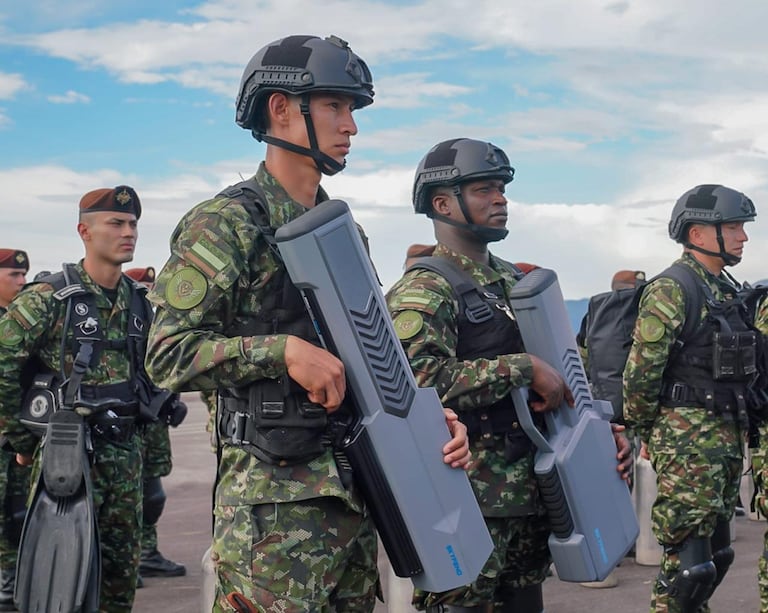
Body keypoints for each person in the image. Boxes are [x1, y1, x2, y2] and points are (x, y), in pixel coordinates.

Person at [144, 34, 471, 612]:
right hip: (270, 517)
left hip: (355, 499)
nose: (351, 126)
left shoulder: (343, 233)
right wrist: (282, 352)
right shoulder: (227, 222)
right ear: (280, 109)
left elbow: (372, 358)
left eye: (351, 110)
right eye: (335, 107)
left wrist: (426, 420)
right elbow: (166, 352)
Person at [385, 137, 632, 612]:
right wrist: (520, 369)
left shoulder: (515, 283)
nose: (500, 199)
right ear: (442, 203)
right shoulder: (425, 287)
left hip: (529, 494)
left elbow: (563, 374)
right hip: (467, 504)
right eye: (483, 189)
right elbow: (413, 383)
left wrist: (604, 437)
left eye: (501, 188)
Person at [0, 186, 183, 611]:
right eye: (116, 223)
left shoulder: (140, 302)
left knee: (119, 585)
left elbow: (155, 369)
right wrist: (22, 441)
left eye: (133, 224)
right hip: (67, 460)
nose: (128, 232)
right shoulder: (51, 298)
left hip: (126, 458)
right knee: (59, 587)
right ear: (84, 231)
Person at [623, 184, 764, 613]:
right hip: (685, 441)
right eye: (734, 227)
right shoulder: (674, 288)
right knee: (688, 567)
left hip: (721, 436)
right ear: (698, 234)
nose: (743, 237)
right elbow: (640, 375)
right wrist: (648, 432)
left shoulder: (723, 288)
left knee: (718, 557)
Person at [124, 266, 187, 582]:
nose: (148, 290)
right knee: (128, 497)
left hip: (154, 422)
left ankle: (146, 553)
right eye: (143, 285)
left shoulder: (155, 322)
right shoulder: (127, 322)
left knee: (151, 496)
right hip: (130, 423)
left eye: (151, 284)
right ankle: (126, 558)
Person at [0, 248, 31, 610]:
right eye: (13, 276)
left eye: (24, 276)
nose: (22, 282)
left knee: (16, 515)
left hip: (17, 440)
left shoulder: (22, 321)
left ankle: (12, 586)